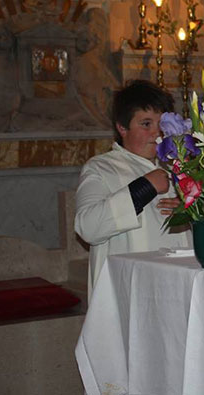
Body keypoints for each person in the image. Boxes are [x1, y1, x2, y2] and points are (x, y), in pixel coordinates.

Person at [75, 80, 191, 298]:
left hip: (179, 288)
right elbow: (87, 227)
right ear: (122, 127)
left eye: (161, 124)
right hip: (131, 293)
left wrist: (189, 213)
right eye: (146, 124)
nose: (157, 133)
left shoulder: (180, 166)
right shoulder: (100, 168)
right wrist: (144, 187)